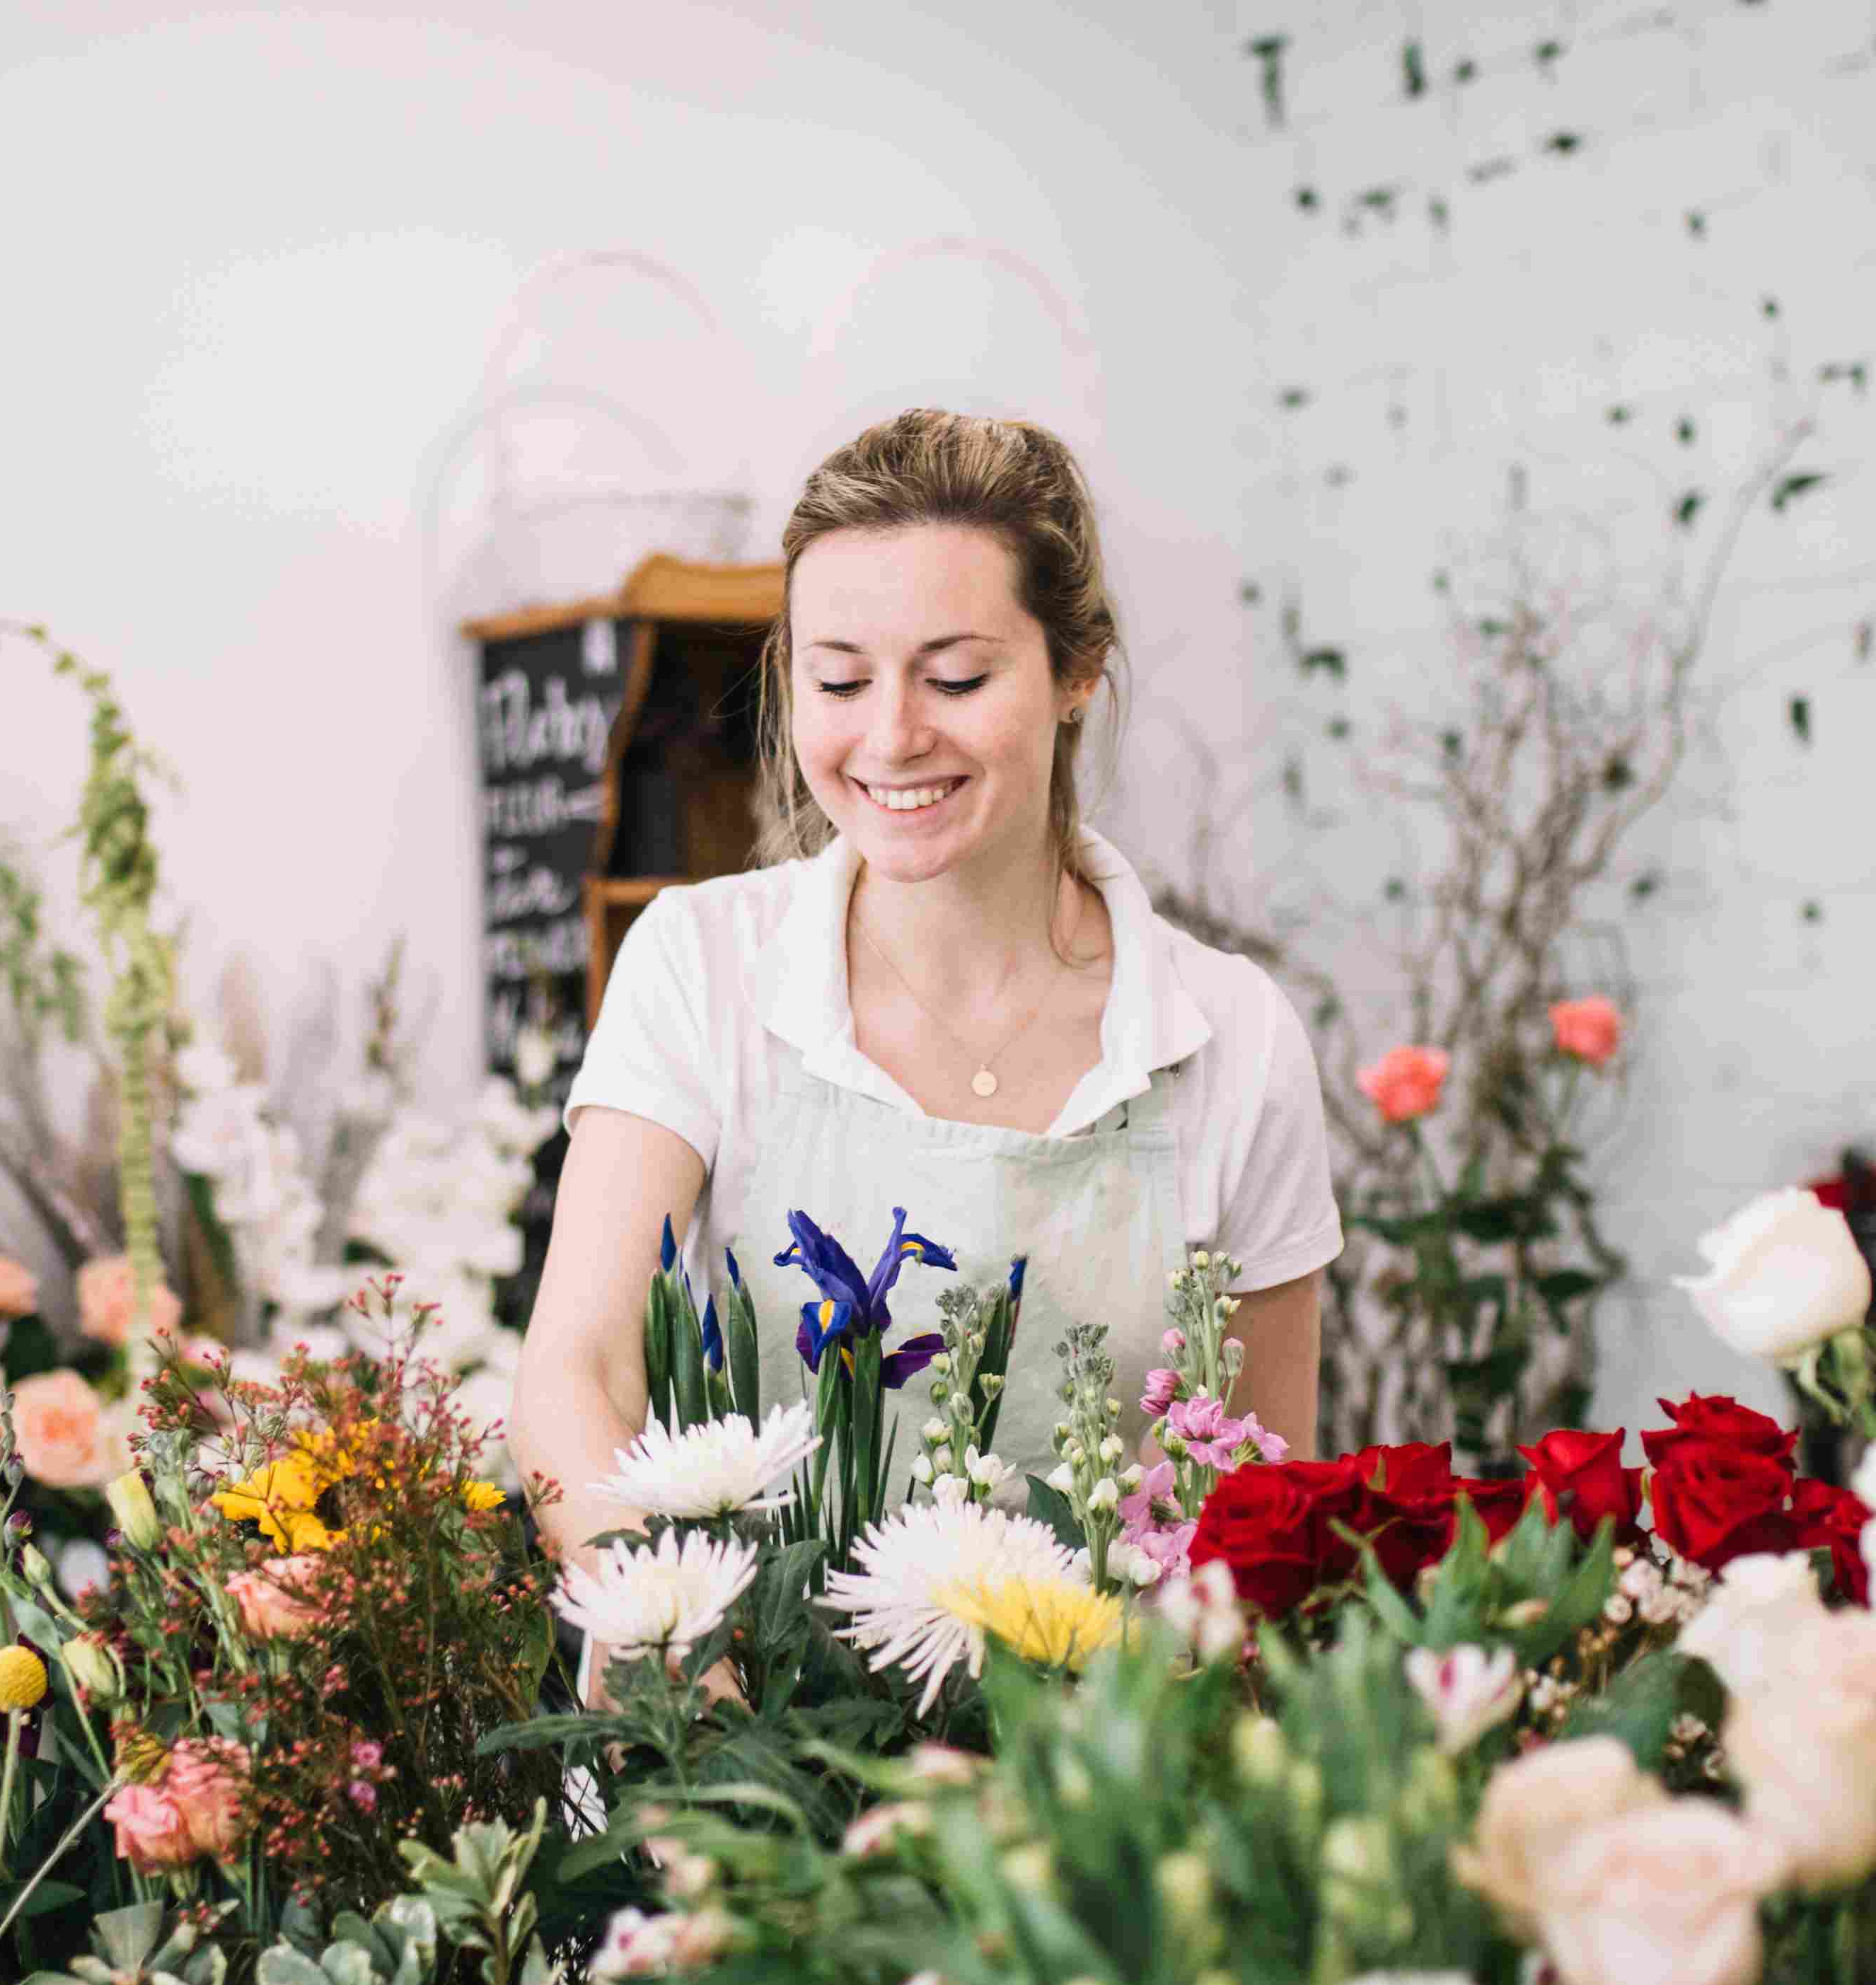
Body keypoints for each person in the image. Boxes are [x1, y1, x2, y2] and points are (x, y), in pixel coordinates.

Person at [509, 408, 1342, 1562]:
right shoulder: (699, 965)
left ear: (1077, 675)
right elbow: (575, 1374)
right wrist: (665, 1626)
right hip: (748, 1712)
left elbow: (1262, 1500)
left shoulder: (1232, 1036)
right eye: (840, 682)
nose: (892, 738)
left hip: (1104, 1731)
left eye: (954, 677)